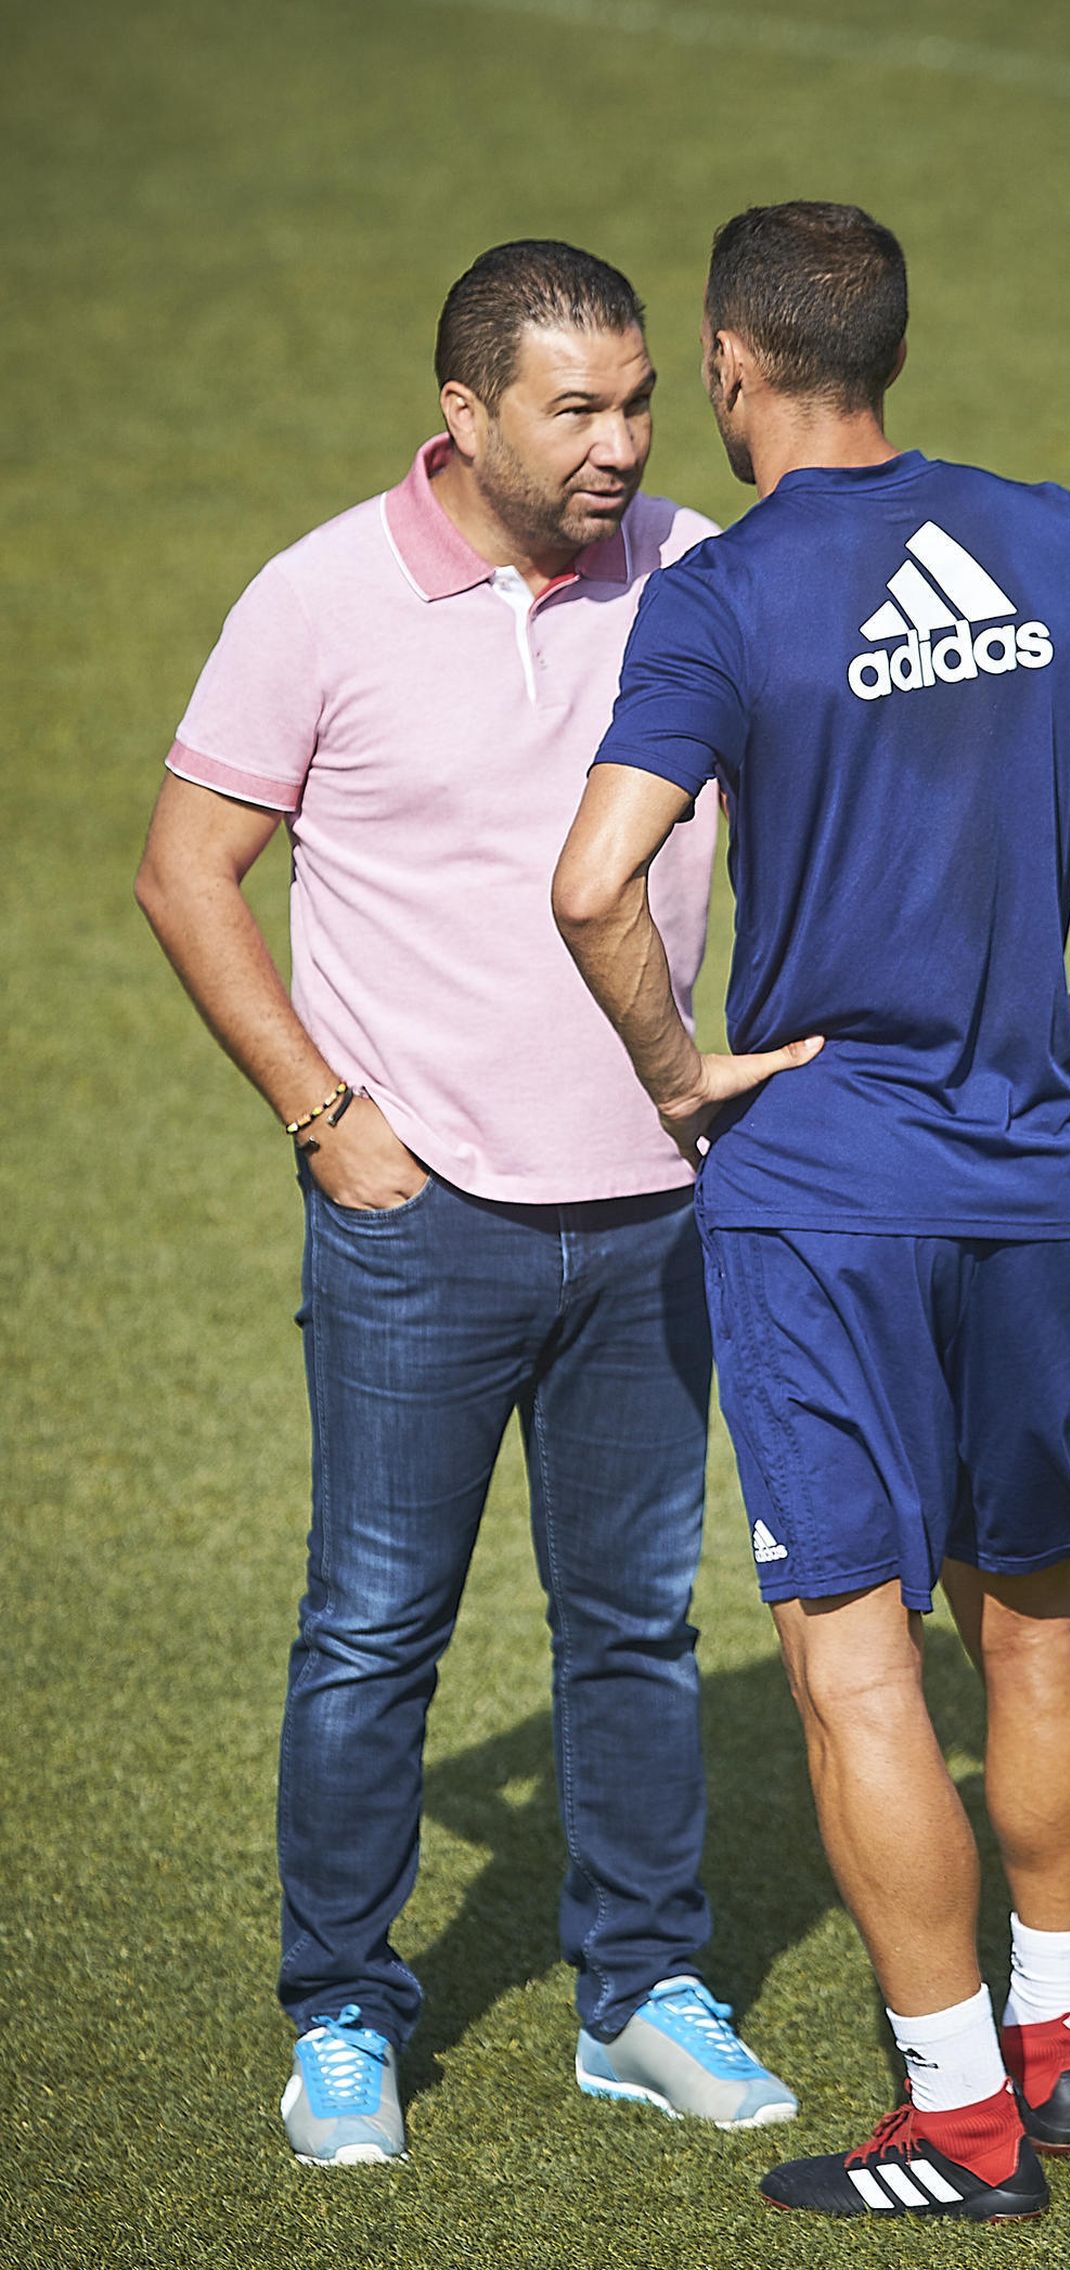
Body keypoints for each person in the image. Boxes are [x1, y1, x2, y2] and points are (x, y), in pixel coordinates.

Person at [553, 201, 1070, 2221]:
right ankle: (1057, 2057)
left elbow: (590, 882)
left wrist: (678, 1072)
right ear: (880, 346)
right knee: (1030, 1616)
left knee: (854, 1656)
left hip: (820, 1196)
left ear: (726, 363)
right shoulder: (1045, 535)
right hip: (1024, 1174)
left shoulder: (724, 595)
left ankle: (956, 2126)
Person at [135, 239, 796, 2166]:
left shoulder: (691, 566)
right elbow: (191, 870)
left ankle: (641, 1995)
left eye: (640, 401)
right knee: (370, 1630)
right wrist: (322, 1112)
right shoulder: (320, 598)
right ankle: (341, 2013)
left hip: (656, 1210)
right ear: (465, 415)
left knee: (636, 1629)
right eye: (573, 409)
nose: (622, 445)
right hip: (417, 1218)